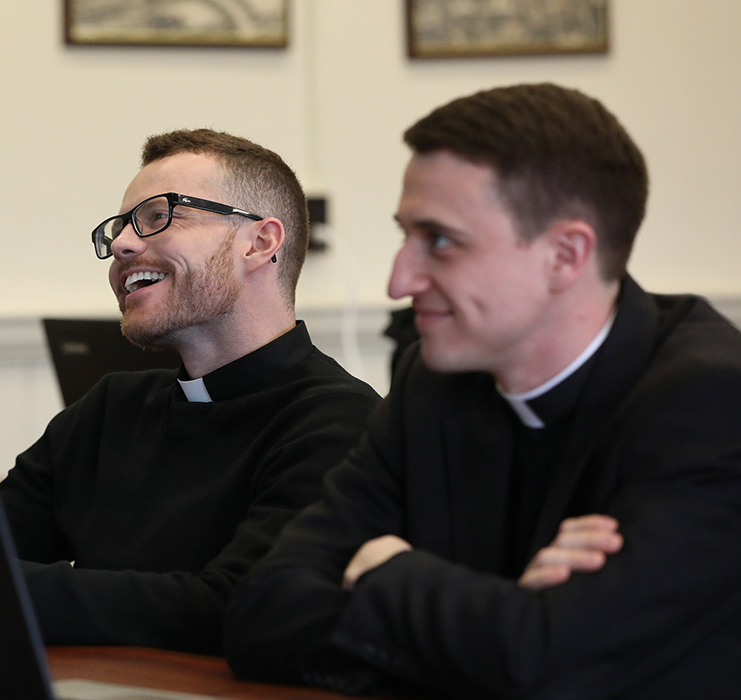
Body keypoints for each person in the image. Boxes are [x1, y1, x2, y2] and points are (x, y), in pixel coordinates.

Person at [0, 128, 380, 654]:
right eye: (119, 227)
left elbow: (233, 604)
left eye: (158, 216)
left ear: (260, 241)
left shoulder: (340, 424)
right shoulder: (111, 409)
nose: (121, 244)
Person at [225, 83, 741, 698]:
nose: (399, 280)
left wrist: (388, 572)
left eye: (440, 240)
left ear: (565, 255)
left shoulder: (712, 400)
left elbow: (554, 664)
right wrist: (510, 620)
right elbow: (262, 613)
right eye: (405, 236)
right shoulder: (433, 382)